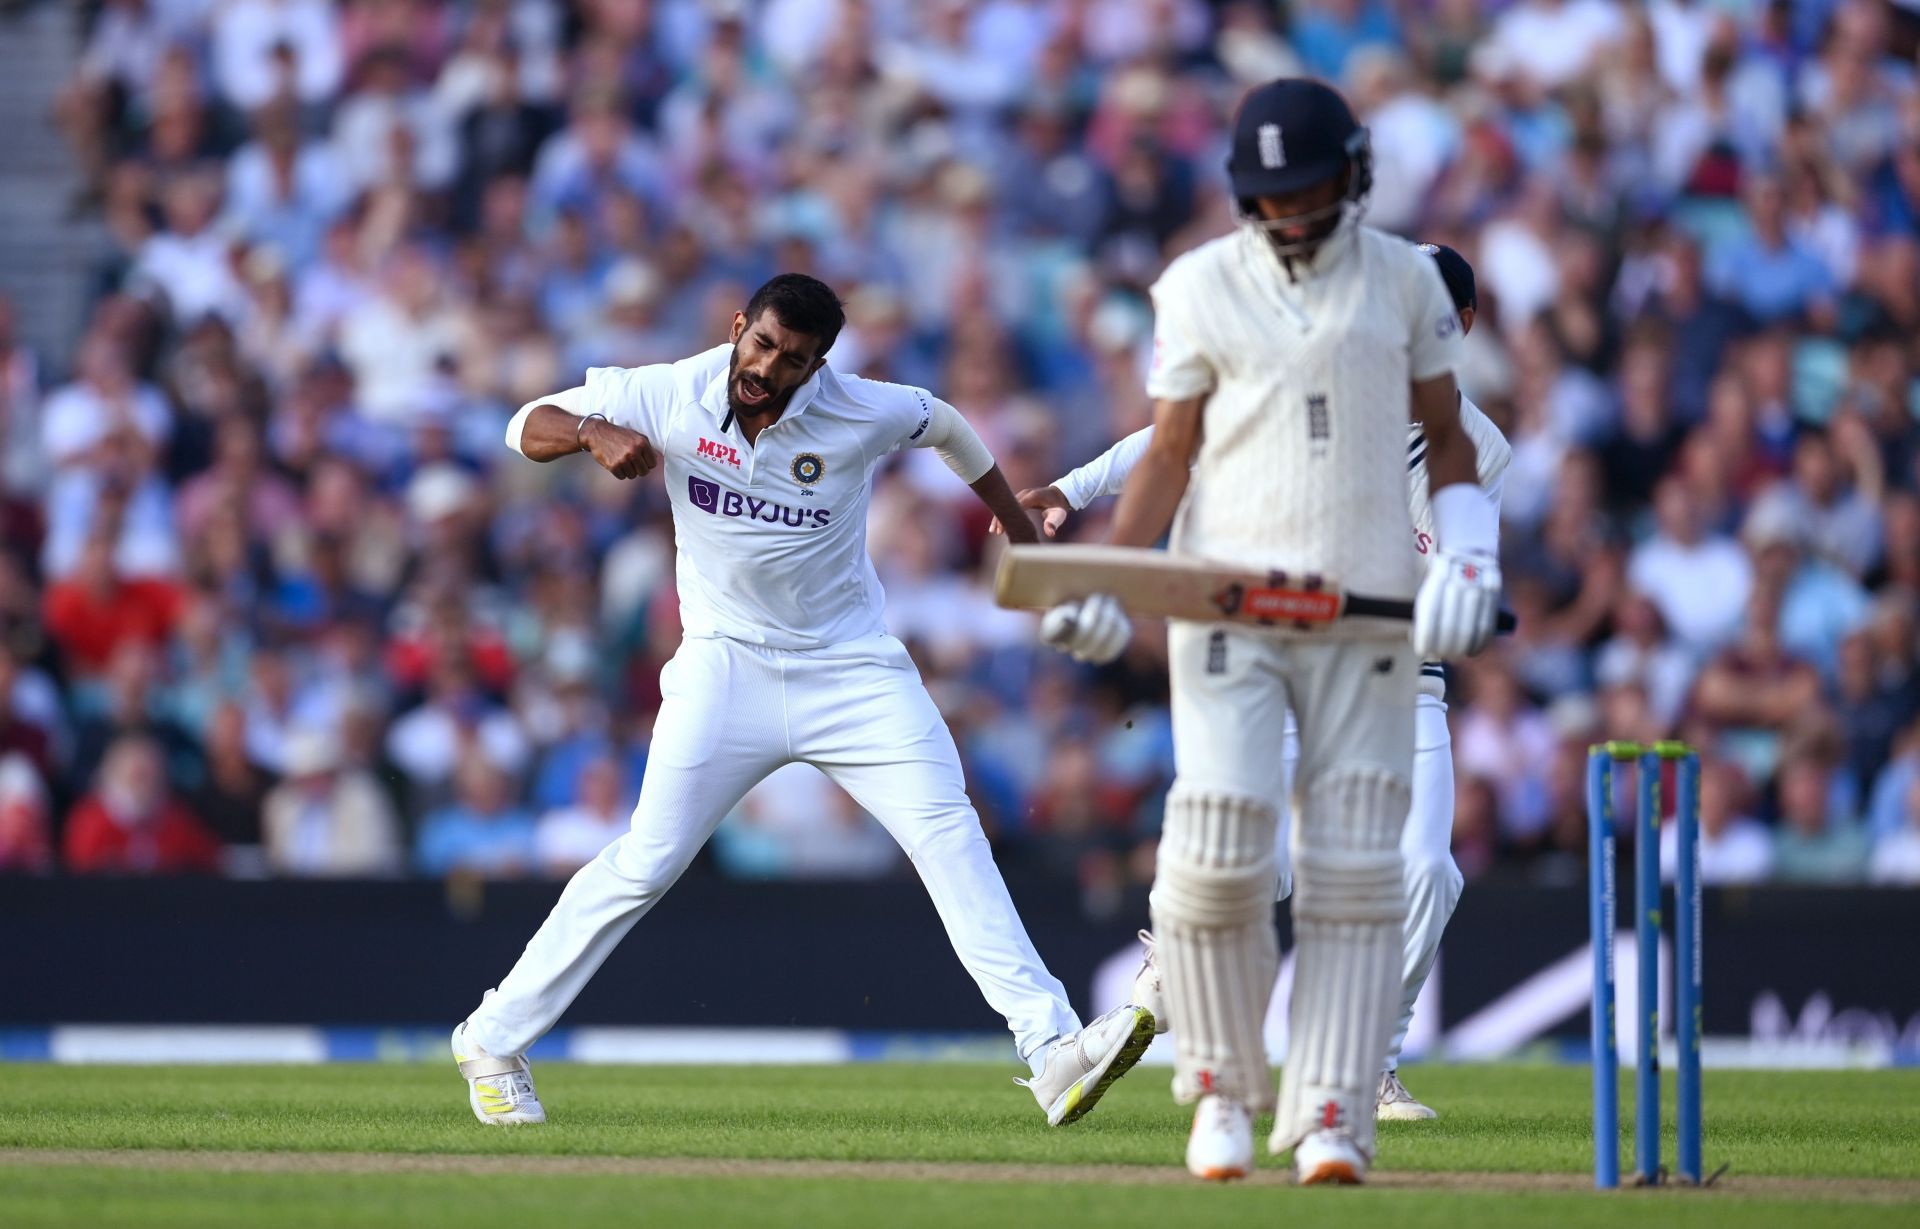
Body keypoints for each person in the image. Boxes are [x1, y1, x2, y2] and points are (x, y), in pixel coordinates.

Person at [452, 274, 1153, 1129]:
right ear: (739, 326)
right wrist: (594, 432)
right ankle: (491, 1039)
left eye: (792, 360)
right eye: (761, 345)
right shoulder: (668, 390)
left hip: (852, 669)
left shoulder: (863, 408)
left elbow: (949, 425)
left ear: (819, 364)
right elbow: (522, 425)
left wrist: (1010, 516)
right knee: (645, 861)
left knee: (949, 834)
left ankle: (1050, 1051)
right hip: (725, 668)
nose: (768, 369)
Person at [1036, 80, 1497, 1183]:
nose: (1290, 220)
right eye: (1270, 197)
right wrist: (1108, 560)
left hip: (1386, 665)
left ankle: (1344, 1090)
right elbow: (1170, 444)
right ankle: (1202, 1078)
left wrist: (1468, 564)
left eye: (1311, 194)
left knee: (1394, 871)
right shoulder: (1226, 297)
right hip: (1254, 632)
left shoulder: (1411, 317)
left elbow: (1457, 465)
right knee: (1232, 859)